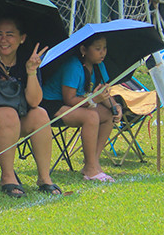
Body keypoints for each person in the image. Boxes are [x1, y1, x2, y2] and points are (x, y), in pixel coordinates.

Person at [0, 16, 61, 198]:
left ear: (22, 38)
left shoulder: (28, 59)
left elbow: (34, 102)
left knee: (40, 114)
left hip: (16, 117)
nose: (3, 40)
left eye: (10, 34)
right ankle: (8, 176)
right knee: (8, 114)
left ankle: (44, 178)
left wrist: (31, 72)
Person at [42, 34, 121, 182]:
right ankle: (91, 170)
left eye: (104, 48)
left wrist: (115, 106)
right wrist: (93, 100)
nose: (102, 52)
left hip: (78, 103)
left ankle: (92, 163)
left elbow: (102, 93)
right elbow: (69, 99)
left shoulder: (99, 65)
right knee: (91, 116)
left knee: (108, 115)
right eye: (97, 48)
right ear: (84, 49)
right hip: (52, 104)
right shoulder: (73, 65)